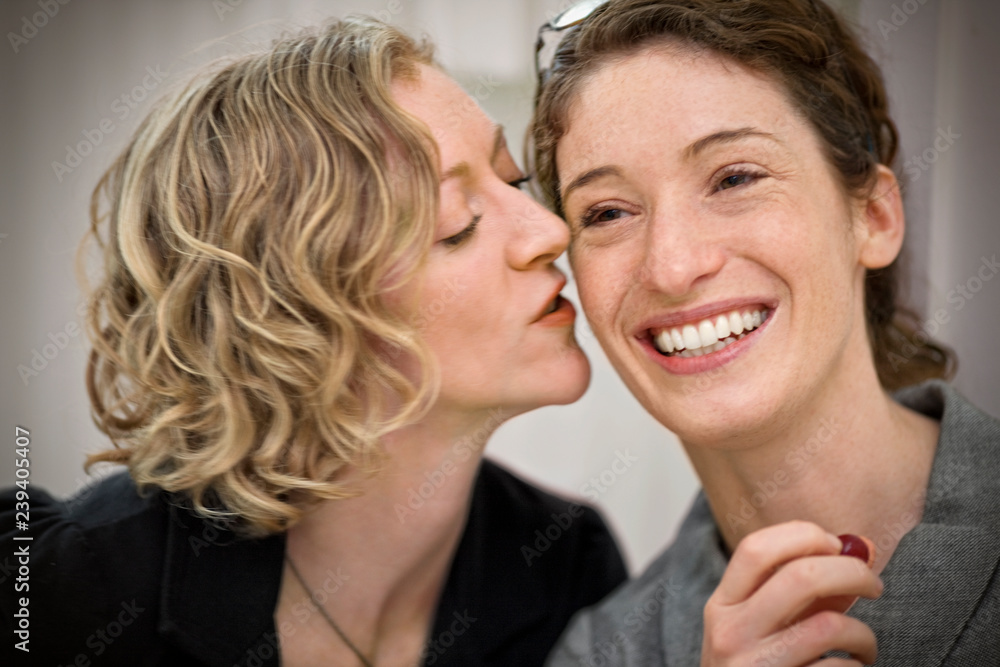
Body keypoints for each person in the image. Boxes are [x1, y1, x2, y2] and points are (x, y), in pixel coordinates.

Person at [0, 17, 629, 667]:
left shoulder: (565, 566)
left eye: (514, 180)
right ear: (291, 317)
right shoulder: (57, 588)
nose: (551, 231)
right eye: (458, 224)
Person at [529, 0, 1000, 665]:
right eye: (607, 212)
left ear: (873, 217)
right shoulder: (598, 654)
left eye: (735, 178)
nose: (672, 266)